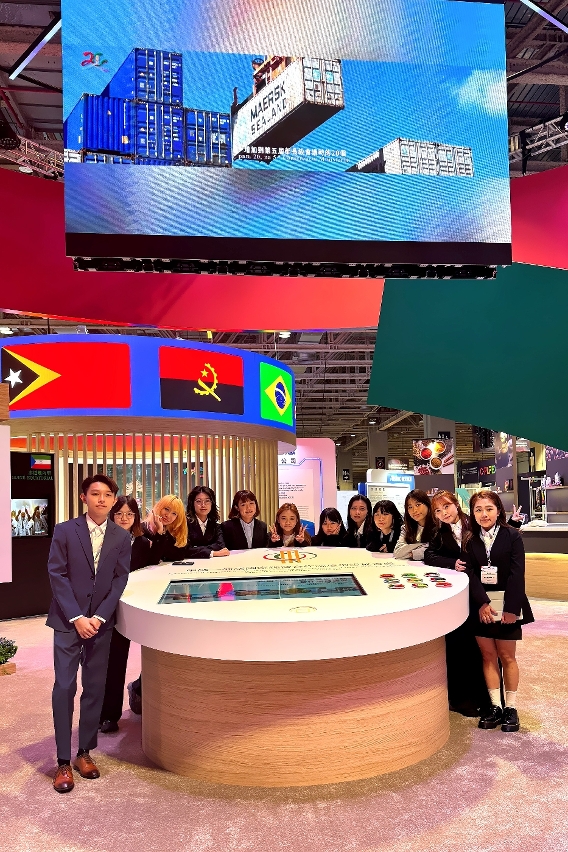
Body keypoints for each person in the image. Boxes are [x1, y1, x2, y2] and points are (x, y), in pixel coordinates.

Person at [47, 474, 131, 793]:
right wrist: (76, 617)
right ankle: (62, 761)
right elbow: (56, 574)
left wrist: (98, 616)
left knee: (95, 687)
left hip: (100, 624)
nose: (101, 499)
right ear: (84, 497)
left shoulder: (121, 536)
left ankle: (84, 751)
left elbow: (120, 580)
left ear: (113, 500)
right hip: (67, 621)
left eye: (107, 494)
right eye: (95, 494)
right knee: (64, 687)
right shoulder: (65, 530)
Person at [464, 491, 534, 733]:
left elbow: (517, 573)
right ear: (473, 513)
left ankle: (511, 708)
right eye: (478, 510)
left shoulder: (512, 535)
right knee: (487, 655)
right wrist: (482, 603)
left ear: (498, 511)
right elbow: (469, 573)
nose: (484, 514)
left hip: (507, 602)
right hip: (481, 605)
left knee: (507, 656)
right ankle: (495, 706)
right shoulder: (470, 539)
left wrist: (512, 608)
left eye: (489, 509)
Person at [98, 496, 152, 734]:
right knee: (109, 663)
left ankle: (118, 708)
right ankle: (107, 715)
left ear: (136, 517)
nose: (124, 518)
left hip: (131, 608)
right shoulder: (101, 540)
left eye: (129, 514)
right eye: (119, 513)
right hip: (106, 608)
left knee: (122, 660)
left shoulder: (143, 543)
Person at [144, 495, 213, 562]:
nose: (168, 515)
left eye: (174, 513)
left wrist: (162, 532)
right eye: (166, 509)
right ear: (159, 507)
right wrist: (159, 532)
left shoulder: (169, 530)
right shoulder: (144, 530)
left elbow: (179, 555)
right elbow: (153, 560)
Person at [186, 485, 230, 557]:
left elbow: (220, 545)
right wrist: (212, 553)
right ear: (192, 504)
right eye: (198, 501)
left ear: (212, 503)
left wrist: (196, 548)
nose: (203, 505)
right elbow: (186, 549)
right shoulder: (185, 524)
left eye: (207, 501)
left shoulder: (215, 526)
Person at [394, 489, 436, 561]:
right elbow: (398, 552)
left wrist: (415, 553)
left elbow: (439, 550)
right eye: (410, 507)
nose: (414, 510)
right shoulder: (406, 528)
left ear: (427, 504)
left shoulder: (438, 525)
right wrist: (426, 545)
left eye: (418, 505)